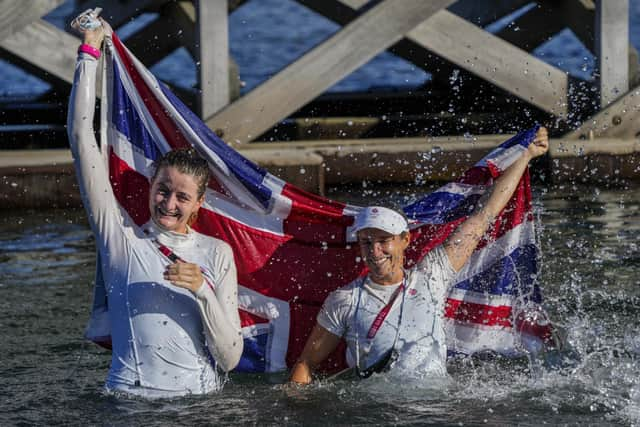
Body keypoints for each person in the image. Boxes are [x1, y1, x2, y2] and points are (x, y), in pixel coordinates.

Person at [289, 128, 549, 384]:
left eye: (384, 241)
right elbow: (306, 363)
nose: (374, 251)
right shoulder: (345, 300)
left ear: (405, 240)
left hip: (435, 411)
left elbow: (485, 215)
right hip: (375, 413)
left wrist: (525, 156)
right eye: (366, 242)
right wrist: (296, 402)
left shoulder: (433, 274)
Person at [67, 18, 243, 398]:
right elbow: (82, 138)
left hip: (199, 407)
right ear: (152, 186)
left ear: (199, 203)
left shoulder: (217, 254)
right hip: (129, 405)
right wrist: (89, 53)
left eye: (182, 197)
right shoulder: (120, 239)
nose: (169, 203)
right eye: (163, 190)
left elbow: (229, 359)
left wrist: (203, 291)